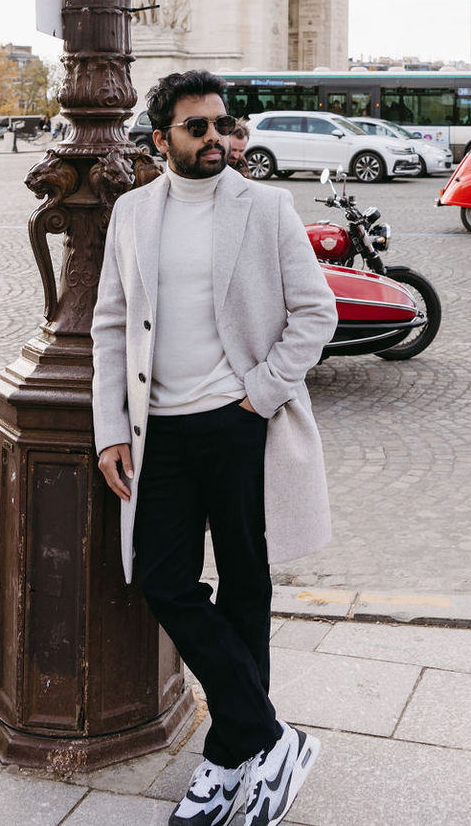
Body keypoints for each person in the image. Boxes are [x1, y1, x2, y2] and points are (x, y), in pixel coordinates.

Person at [91, 70, 336, 826]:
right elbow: (109, 325)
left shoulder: (265, 206)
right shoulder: (131, 212)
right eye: (196, 128)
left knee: (244, 587)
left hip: (236, 426)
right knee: (163, 579)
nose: (215, 140)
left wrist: (257, 396)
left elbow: (314, 311)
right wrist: (108, 429)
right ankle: (269, 737)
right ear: (160, 137)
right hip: (156, 432)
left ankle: (229, 757)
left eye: (222, 125)